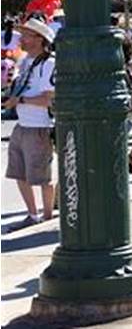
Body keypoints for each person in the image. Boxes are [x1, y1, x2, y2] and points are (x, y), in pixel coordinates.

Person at [3, 19, 56, 229]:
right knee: (18, 172)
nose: (21, 39)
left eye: (25, 35)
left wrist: (21, 100)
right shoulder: (25, 62)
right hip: (22, 124)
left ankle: (47, 216)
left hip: (39, 126)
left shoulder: (48, 63)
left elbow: (50, 99)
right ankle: (32, 215)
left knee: (42, 175)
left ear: (39, 39)